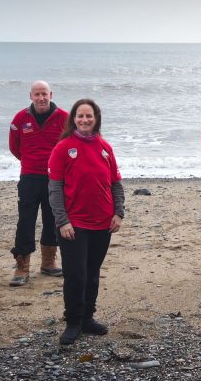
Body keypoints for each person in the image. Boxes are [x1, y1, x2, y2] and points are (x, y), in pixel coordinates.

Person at [47, 99, 125, 345]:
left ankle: (88, 318)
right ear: (73, 119)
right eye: (80, 116)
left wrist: (118, 213)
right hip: (74, 224)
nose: (84, 120)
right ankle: (73, 321)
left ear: (96, 118)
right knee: (75, 275)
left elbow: (116, 184)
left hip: (103, 223)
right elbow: (55, 188)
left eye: (88, 116)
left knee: (92, 274)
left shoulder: (105, 147)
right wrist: (62, 221)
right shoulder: (63, 148)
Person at [9, 81, 69, 286]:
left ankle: (48, 262)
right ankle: (22, 266)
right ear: (31, 96)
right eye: (37, 94)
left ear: (51, 94)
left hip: (55, 178)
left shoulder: (64, 117)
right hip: (29, 177)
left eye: (44, 94)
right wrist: (30, 161)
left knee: (52, 219)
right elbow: (14, 147)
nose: (41, 98)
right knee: (25, 221)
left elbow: (70, 145)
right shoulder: (20, 118)